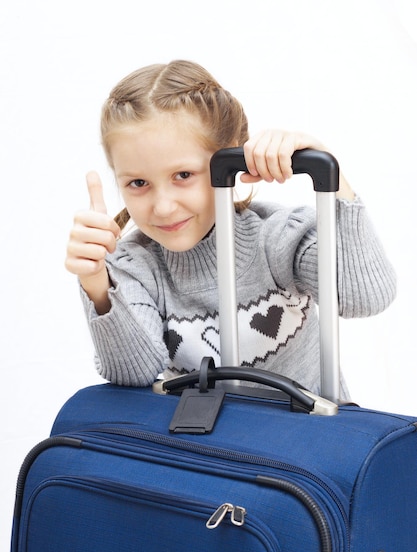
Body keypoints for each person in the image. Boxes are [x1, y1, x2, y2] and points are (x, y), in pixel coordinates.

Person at [65, 59, 396, 399]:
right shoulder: (132, 266)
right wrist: (97, 286)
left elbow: (365, 298)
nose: (163, 206)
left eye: (183, 175)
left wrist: (332, 174)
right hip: (213, 449)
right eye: (138, 182)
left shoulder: (280, 238)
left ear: (231, 159)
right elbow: (136, 373)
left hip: (305, 444)